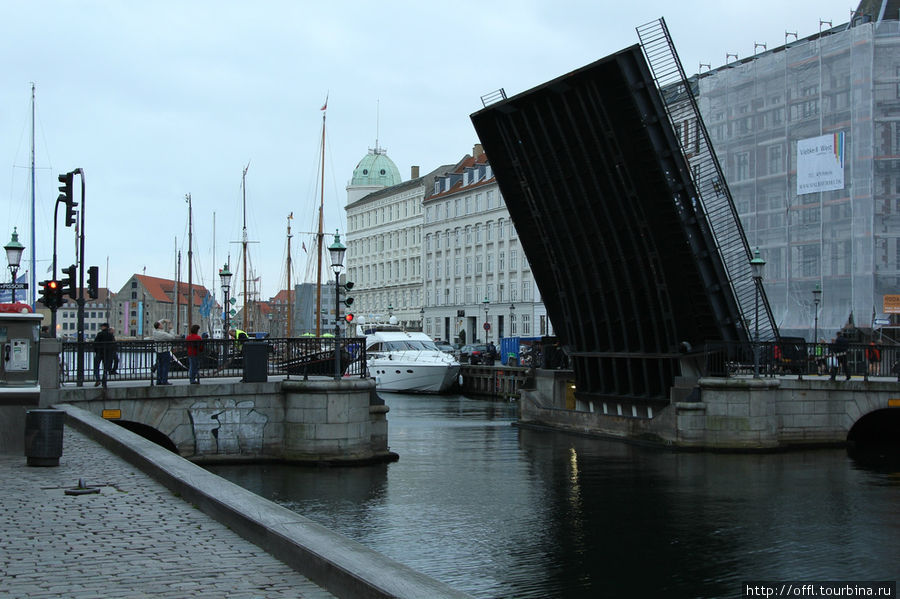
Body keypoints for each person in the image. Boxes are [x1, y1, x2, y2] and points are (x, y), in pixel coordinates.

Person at [152, 320, 178, 385]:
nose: (162, 324)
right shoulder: (162, 334)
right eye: (161, 324)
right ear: (159, 326)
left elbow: (158, 322)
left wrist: (164, 320)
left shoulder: (154, 332)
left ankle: (159, 380)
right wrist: (171, 329)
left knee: (159, 366)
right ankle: (164, 380)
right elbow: (172, 337)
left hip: (158, 351)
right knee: (165, 366)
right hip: (165, 351)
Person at [92, 322, 115, 387]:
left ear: (104, 327)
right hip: (107, 353)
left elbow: (95, 343)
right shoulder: (110, 335)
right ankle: (104, 381)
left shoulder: (100, 334)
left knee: (96, 367)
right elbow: (113, 344)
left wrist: (96, 350)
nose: (101, 327)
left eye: (102, 326)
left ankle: (98, 379)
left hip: (99, 352)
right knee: (105, 368)